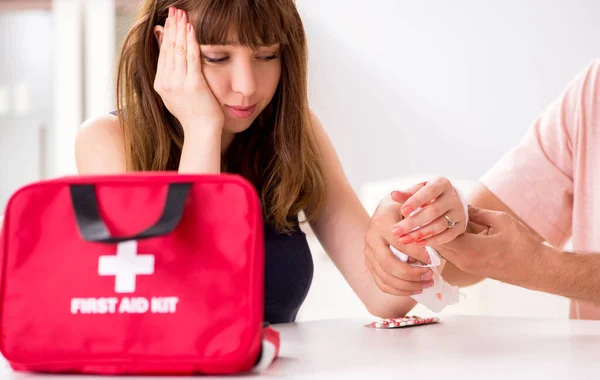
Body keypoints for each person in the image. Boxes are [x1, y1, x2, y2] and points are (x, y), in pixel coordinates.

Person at [75, 0, 466, 324]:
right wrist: (201, 128)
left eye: (266, 55)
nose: (246, 85)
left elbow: (383, 299)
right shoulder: (107, 142)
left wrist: (397, 231)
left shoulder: (296, 133)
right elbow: (181, 307)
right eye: (217, 56)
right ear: (167, 48)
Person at [365, 60, 600, 320]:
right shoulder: (592, 92)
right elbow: (473, 249)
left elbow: (503, 255)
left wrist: (541, 266)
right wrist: (419, 230)